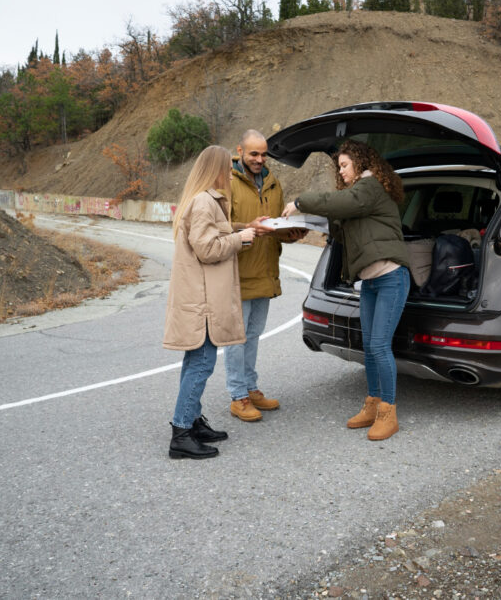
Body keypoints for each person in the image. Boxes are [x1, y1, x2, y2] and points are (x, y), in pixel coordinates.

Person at [282, 140, 411, 440]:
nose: (341, 172)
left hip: (392, 276)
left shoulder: (370, 187)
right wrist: (309, 224)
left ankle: (388, 413)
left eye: (344, 165)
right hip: (371, 282)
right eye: (338, 167)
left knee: (379, 346)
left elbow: (336, 203)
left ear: (361, 164)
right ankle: (373, 403)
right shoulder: (356, 198)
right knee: (369, 347)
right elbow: (339, 227)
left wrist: (301, 202)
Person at [164, 145, 256, 459]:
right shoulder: (204, 202)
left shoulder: (201, 199)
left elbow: (212, 234)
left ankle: (191, 421)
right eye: (227, 166)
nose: (231, 172)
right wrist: (239, 240)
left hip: (198, 298)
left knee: (195, 363)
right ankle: (181, 432)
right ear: (215, 168)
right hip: (203, 302)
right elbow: (207, 249)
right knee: (201, 364)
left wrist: (243, 228)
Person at [225, 129, 306, 422]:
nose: (259, 159)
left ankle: (251, 387)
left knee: (254, 336)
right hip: (236, 272)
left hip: (265, 272)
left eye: (263, 154)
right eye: (253, 154)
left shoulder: (273, 184)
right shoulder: (226, 182)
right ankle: (238, 396)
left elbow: (275, 229)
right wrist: (246, 226)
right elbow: (216, 225)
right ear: (240, 151)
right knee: (236, 338)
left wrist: (292, 234)